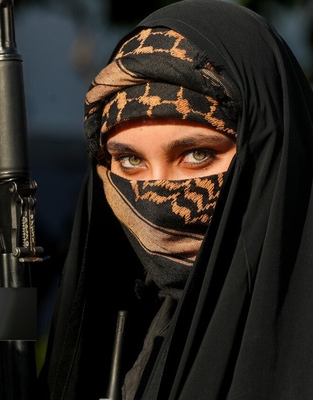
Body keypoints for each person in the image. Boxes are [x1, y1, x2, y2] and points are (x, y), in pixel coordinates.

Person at [38, 0, 313, 399]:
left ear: (267, 157)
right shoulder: (132, 330)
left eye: (197, 154)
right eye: (130, 160)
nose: (156, 197)